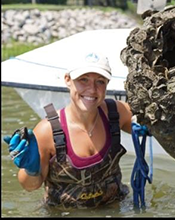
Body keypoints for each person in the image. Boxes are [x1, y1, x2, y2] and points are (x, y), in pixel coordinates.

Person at [4, 52, 133, 209]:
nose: (92, 89)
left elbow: (153, 130)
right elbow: (30, 187)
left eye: (100, 82)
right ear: (68, 80)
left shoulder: (116, 113)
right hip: (63, 213)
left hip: (114, 208)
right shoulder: (47, 131)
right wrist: (31, 170)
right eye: (83, 80)